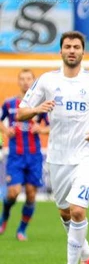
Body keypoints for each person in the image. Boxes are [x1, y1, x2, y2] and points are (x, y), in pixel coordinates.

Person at [18, 31, 89, 264]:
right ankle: (87, 252)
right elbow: (21, 112)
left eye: (76, 47)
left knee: (77, 211)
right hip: (58, 157)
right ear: (61, 51)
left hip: (87, 155)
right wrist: (37, 109)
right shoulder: (47, 80)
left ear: (83, 51)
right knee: (65, 213)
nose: (72, 50)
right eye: (67, 46)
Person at [0, 69, 50, 240]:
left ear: (34, 81)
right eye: (22, 79)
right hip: (15, 156)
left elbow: (52, 126)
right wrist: (5, 130)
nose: (25, 82)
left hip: (34, 157)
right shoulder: (9, 104)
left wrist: (41, 129)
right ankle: (4, 216)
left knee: (30, 194)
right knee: (13, 193)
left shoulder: (40, 106)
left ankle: (21, 230)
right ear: (18, 82)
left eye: (29, 79)